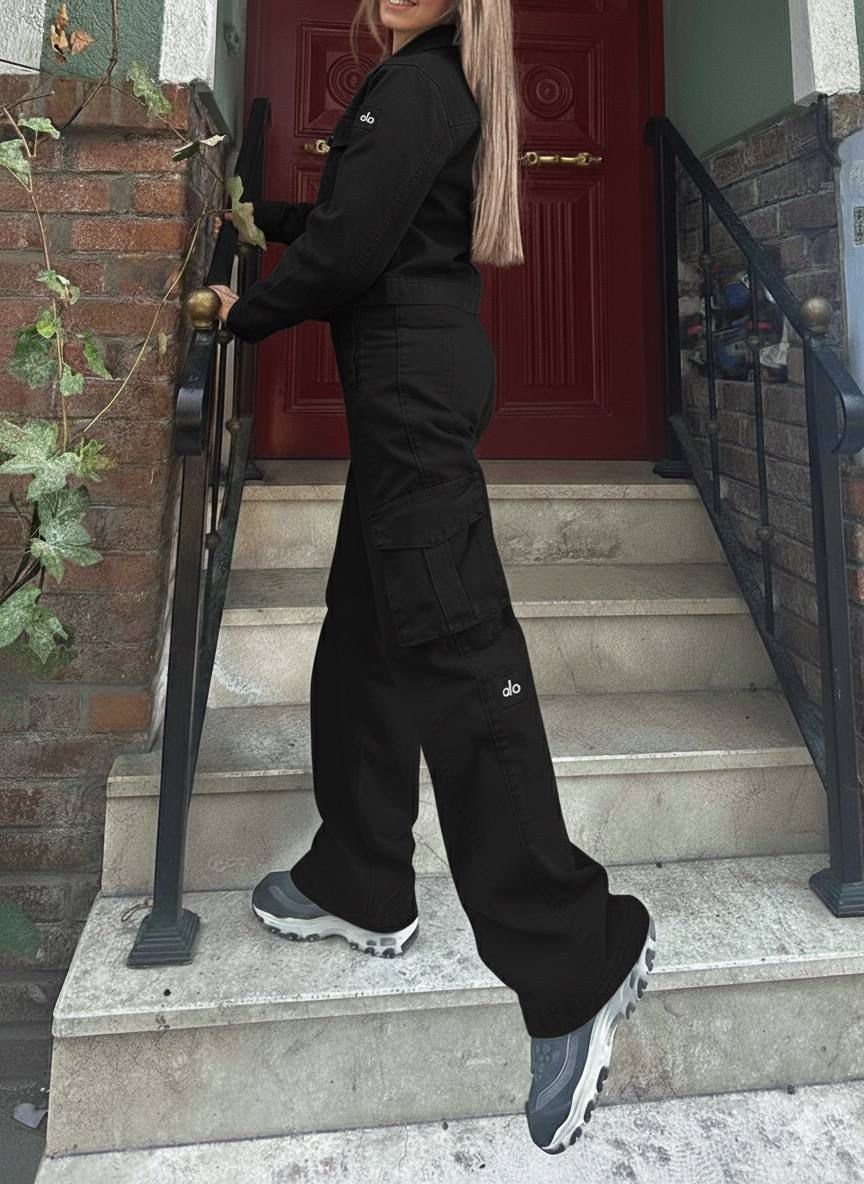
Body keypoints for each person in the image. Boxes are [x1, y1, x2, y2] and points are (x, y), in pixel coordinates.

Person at [209, 0, 656, 1155]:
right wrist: (263, 220)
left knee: (459, 660)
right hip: (408, 387)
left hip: (410, 399)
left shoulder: (419, 84)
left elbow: (350, 254)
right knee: (364, 638)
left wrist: (243, 312)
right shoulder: (422, 82)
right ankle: (362, 876)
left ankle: (578, 954)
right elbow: (358, 220)